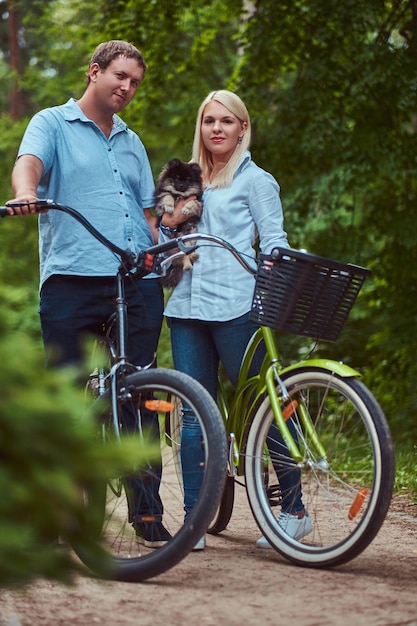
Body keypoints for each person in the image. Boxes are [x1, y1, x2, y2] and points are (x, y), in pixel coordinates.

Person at [6, 40, 171, 548]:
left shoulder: (132, 141)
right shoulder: (52, 123)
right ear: (95, 72)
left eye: (135, 82)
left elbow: (149, 214)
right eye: (120, 76)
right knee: (64, 393)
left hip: (134, 281)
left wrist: (165, 246)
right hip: (73, 278)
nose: (127, 88)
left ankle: (147, 515)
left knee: (139, 396)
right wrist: (27, 193)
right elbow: (28, 164)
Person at [159, 89, 313, 551]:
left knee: (265, 410)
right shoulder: (184, 179)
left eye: (227, 121)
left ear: (242, 128)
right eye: (209, 121)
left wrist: (275, 270)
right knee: (193, 417)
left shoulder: (256, 181)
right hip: (186, 308)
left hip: (237, 307)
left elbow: (275, 242)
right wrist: (169, 231)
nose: (217, 129)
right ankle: (194, 520)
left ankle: (294, 511)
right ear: (201, 128)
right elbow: (164, 233)